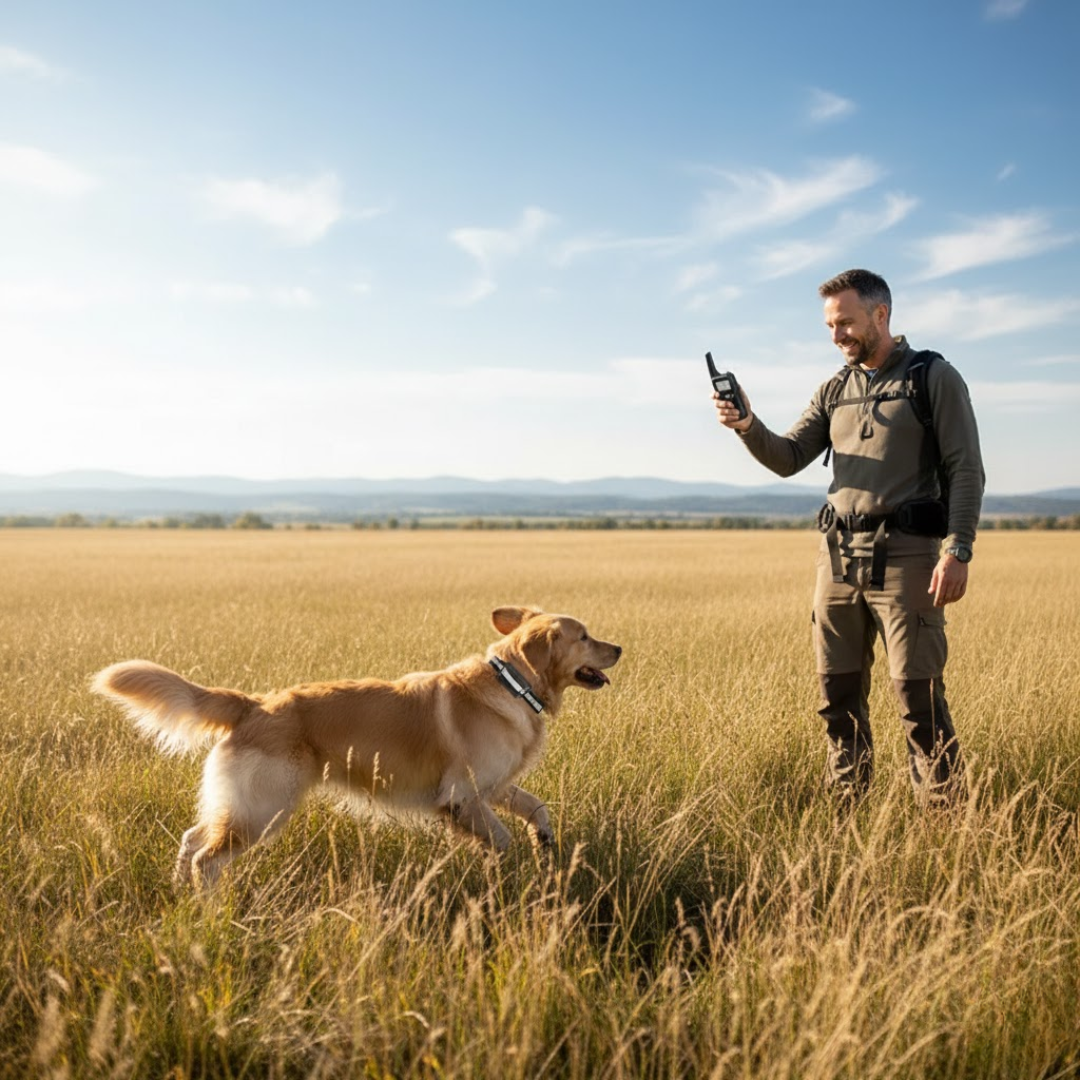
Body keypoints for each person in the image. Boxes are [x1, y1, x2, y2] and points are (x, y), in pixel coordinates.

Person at [713, 269, 984, 804]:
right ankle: (846, 814)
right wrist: (747, 423)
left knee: (918, 697)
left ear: (880, 315)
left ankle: (945, 821)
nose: (836, 335)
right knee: (837, 698)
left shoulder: (933, 377)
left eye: (845, 323)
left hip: (908, 556)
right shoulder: (835, 388)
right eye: (830, 325)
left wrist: (957, 549)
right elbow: (789, 457)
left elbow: (966, 469)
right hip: (835, 559)